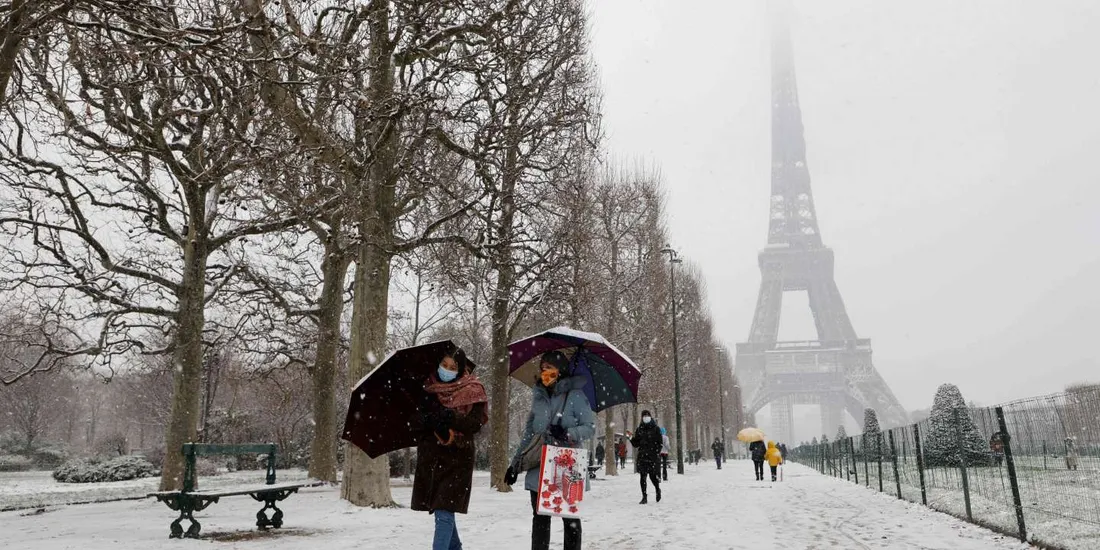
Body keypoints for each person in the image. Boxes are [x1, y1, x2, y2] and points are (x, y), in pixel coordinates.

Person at [504, 350, 596, 550]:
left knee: (569, 520)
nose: (545, 372)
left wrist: (567, 433)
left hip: (567, 465)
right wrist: (514, 464)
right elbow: (529, 434)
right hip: (540, 465)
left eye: (549, 368)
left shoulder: (576, 396)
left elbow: (590, 428)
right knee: (540, 520)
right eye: (542, 368)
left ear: (560, 370)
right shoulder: (538, 396)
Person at [411, 349, 488, 550]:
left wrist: (451, 418)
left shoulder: (473, 389)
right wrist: (431, 422)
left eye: (453, 368)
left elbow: (475, 424)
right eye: (444, 365)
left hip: (458, 460)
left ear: (461, 369)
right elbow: (415, 423)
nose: (447, 370)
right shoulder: (427, 389)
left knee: (444, 512)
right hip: (433, 460)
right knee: (442, 511)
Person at [629, 410, 663, 504]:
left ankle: (657, 489)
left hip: (652, 457)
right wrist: (631, 438)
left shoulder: (656, 428)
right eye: (644, 415)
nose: (646, 417)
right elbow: (636, 444)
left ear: (650, 416)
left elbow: (660, 443)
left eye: (647, 415)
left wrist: (656, 453)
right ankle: (644, 497)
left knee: (652, 477)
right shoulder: (639, 429)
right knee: (642, 477)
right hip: (642, 456)